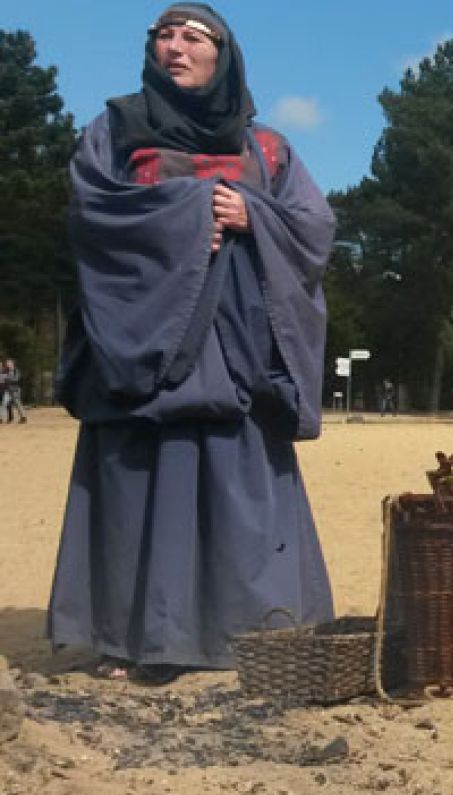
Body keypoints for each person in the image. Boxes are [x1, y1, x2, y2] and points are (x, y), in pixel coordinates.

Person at [48, 4, 336, 686]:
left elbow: (314, 228)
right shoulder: (117, 130)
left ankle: (248, 632)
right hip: (141, 339)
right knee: (136, 476)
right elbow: (92, 211)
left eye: (192, 37)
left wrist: (250, 213)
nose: (174, 47)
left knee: (239, 476)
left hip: (238, 343)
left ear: (223, 56)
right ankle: (125, 637)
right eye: (163, 36)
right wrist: (184, 218)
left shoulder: (266, 148)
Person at [0, 359, 24, 423]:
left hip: (15, 390)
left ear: (12, 364)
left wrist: (8, 379)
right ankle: (0, 418)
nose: (8, 365)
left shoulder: (16, 371)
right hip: (8, 391)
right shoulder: (5, 371)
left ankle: (23, 417)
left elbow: (17, 379)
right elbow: (2, 379)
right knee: (3, 403)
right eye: (7, 363)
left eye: (9, 363)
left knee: (18, 404)